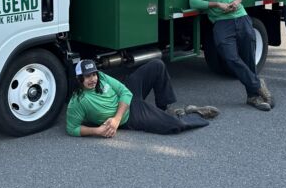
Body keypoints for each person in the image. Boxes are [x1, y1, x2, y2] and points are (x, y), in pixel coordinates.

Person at [189, 0, 274, 111]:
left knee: (249, 57)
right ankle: (258, 85)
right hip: (221, 22)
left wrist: (236, 2)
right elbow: (193, 1)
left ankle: (253, 97)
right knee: (230, 58)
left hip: (241, 17)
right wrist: (217, 4)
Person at [66, 59, 218, 137]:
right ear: (79, 79)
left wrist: (116, 119)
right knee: (174, 126)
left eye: (94, 74)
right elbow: (72, 128)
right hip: (130, 115)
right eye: (88, 76)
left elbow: (125, 92)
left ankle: (164, 108)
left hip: (125, 101)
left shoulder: (100, 76)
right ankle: (193, 113)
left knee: (157, 65)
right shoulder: (77, 101)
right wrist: (98, 131)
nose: (93, 79)